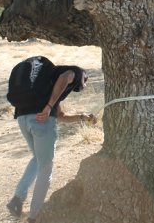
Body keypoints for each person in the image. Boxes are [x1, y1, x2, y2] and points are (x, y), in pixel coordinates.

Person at [6, 65, 96, 223]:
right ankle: (35, 216)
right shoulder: (75, 72)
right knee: (46, 167)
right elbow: (65, 77)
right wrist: (48, 107)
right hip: (41, 119)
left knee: (38, 158)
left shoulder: (47, 87)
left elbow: (60, 115)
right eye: (86, 80)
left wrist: (82, 117)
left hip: (23, 118)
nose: (85, 84)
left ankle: (17, 200)